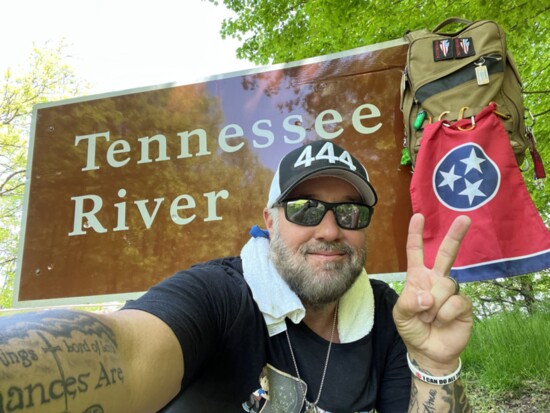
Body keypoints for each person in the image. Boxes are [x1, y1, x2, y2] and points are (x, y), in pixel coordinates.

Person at [0, 140, 473, 413]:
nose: (330, 229)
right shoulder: (219, 294)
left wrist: (434, 364)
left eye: (349, 212)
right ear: (269, 221)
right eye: (305, 208)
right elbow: (123, 348)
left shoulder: (390, 315)